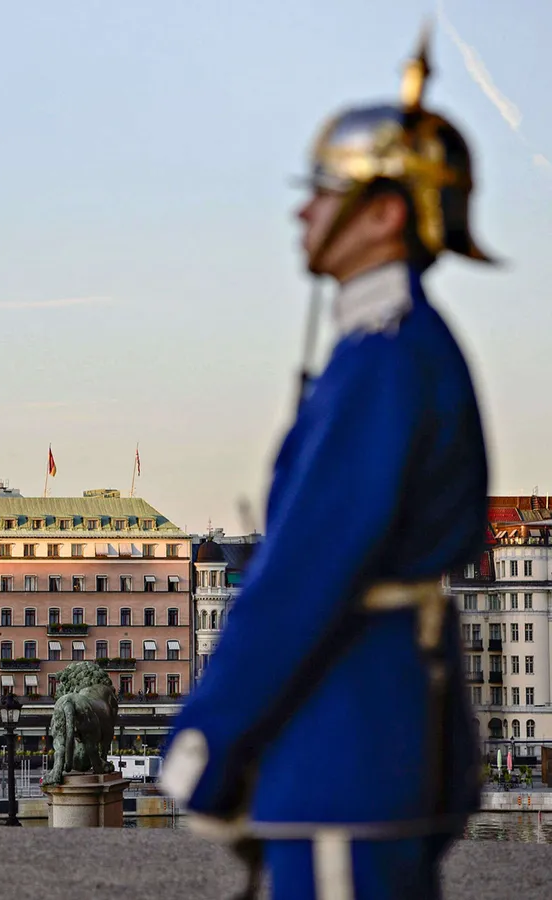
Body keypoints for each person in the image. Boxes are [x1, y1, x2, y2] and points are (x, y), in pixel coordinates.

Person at [160, 28, 495, 900]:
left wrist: (213, 732)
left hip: (345, 746)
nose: (300, 211)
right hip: (372, 736)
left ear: (384, 212)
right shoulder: (396, 347)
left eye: (320, 191)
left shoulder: (382, 359)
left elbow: (309, 567)